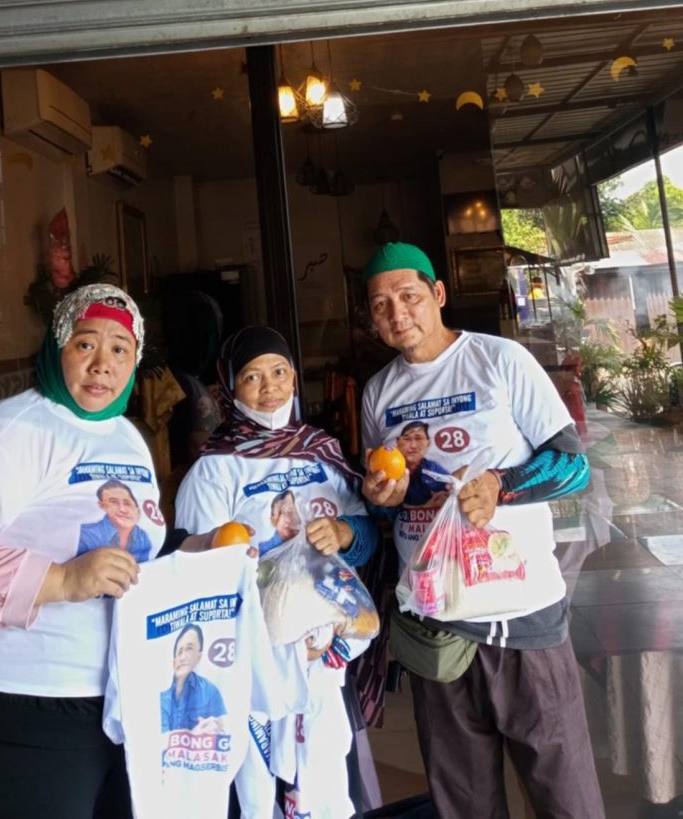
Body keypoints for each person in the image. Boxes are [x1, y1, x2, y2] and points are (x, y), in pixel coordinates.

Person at [360, 242, 604, 819]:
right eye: (380, 305)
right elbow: (393, 500)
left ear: (438, 294)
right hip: (436, 626)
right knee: (464, 803)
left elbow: (573, 466)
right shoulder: (378, 393)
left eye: (409, 296)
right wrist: (382, 501)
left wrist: (501, 484)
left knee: (565, 796)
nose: (397, 313)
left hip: (522, 615)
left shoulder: (499, 360)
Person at [0, 282, 204, 819]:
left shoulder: (125, 436)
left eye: (120, 348)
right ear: (58, 347)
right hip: (26, 706)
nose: (102, 364)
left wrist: (199, 547)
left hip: (125, 699)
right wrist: (61, 581)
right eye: (85, 344)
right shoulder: (8, 432)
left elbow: (137, 548)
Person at [175, 325, 380, 819]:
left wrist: (345, 533)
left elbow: (368, 537)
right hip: (256, 662)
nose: (269, 388)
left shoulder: (322, 451)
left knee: (325, 781)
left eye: (279, 372)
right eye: (252, 377)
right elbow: (198, 574)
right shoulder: (215, 469)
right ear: (229, 388)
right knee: (258, 789)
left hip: (329, 653)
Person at [160, 623, 227, 733]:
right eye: (179, 651)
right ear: (173, 661)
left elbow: (226, 731)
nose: (182, 658)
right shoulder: (162, 699)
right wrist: (195, 734)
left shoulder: (210, 691)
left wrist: (217, 728)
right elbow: (158, 741)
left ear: (199, 656)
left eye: (189, 649)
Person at [77, 479, 152, 562]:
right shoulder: (86, 535)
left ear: (137, 510)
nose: (122, 509)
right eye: (114, 502)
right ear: (102, 505)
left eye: (127, 503)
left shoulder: (142, 536)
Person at [395, 421, 450, 508]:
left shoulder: (433, 470)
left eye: (418, 439)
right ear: (398, 443)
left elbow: (454, 491)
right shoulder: (390, 469)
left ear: (428, 443)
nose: (413, 445)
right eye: (407, 439)